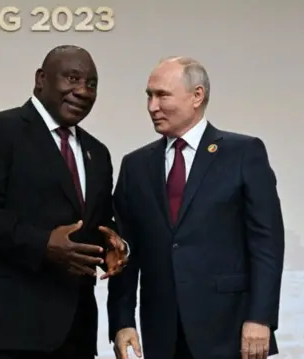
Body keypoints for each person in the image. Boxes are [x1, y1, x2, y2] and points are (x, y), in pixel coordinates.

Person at [0, 45, 129, 359]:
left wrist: (112, 245)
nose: (82, 91)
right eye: (72, 78)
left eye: (91, 84)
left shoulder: (97, 152)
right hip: (5, 328)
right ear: (40, 80)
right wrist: (42, 243)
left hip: (74, 331)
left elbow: (95, 222)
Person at [107, 56, 285, 359]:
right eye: (149, 96)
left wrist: (260, 317)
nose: (152, 106)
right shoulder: (135, 165)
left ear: (197, 96)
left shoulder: (243, 153)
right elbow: (124, 250)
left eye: (162, 95)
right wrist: (122, 321)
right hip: (161, 332)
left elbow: (266, 243)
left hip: (229, 331)